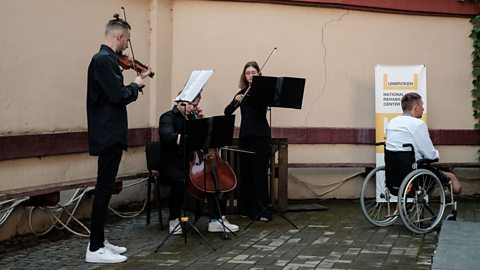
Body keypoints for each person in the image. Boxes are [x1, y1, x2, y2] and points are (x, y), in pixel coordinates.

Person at [86, 15, 152, 263]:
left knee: (105, 187)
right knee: (104, 188)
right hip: (108, 133)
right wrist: (136, 83)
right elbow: (118, 95)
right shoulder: (104, 60)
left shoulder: (106, 60)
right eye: (127, 40)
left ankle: (100, 241)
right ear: (119, 36)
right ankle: (94, 249)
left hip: (108, 132)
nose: (127, 46)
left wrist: (135, 85)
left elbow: (114, 94)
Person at [158, 94, 239, 235]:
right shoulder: (167, 117)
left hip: (194, 160)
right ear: (180, 101)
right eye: (189, 104)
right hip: (173, 162)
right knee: (180, 181)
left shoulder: (193, 117)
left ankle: (216, 220)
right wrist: (187, 137)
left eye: (195, 105)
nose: (191, 108)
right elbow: (166, 135)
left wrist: (203, 123)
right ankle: (174, 218)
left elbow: (206, 140)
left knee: (216, 177)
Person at [385, 92, 462, 194]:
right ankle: (454, 196)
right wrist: (436, 155)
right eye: (422, 105)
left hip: (394, 174)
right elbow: (430, 154)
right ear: (416, 107)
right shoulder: (418, 124)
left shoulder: (392, 123)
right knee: (451, 177)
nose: (423, 109)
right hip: (414, 173)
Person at [224, 61, 272, 222]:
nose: (250, 75)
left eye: (253, 72)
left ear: (259, 74)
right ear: (244, 76)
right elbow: (227, 111)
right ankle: (246, 209)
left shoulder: (262, 92)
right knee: (246, 173)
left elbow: (260, 110)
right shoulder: (242, 92)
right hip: (245, 136)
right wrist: (236, 101)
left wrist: (255, 93)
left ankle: (262, 210)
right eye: (248, 73)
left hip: (260, 136)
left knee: (259, 173)